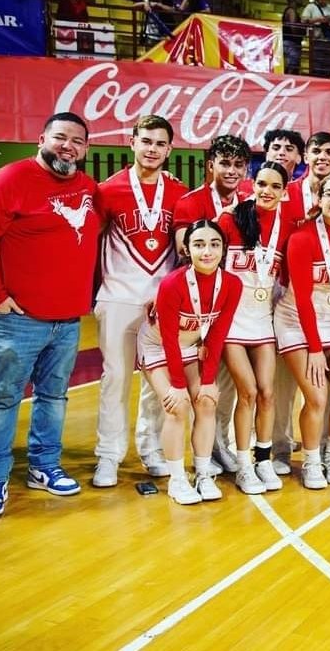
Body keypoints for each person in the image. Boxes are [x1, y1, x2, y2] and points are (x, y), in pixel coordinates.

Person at [0, 112, 100, 519]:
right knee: (3, 399)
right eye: (60, 137)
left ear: (86, 148)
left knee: (54, 397)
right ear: (41, 138)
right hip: (15, 319)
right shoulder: (10, 179)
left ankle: (43, 466)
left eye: (77, 141)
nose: (68, 146)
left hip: (67, 321)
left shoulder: (88, 188)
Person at [92, 115, 188, 487]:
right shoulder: (107, 190)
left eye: (160, 143)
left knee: (157, 383)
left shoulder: (179, 193)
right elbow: (90, 243)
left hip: (161, 301)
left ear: (169, 149)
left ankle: (152, 450)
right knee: (115, 378)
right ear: (132, 142)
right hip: (117, 298)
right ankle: (109, 457)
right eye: (146, 141)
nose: (152, 149)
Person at [138, 220, 241, 504]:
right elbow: (169, 339)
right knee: (178, 406)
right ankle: (177, 479)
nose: (207, 251)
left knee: (207, 401)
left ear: (223, 248)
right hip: (158, 346)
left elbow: (218, 335)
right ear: (187, 249)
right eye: (199, 244)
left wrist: (208, 381)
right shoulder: (172, 283)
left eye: (214, 244)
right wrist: (178, 385)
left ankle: (204, 473)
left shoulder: (232, 284)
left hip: (192, 346)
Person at [274, 174, 330, 489]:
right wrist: (313, 348)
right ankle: (311, 461)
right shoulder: (302, 238)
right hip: (297, 322)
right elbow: (302, 298)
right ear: (319, 200)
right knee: (318, 397)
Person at [173, 135, 250, 475]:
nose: (231, 171)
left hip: (232, 307)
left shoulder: (250, 202)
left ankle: (217, 447)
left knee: (222, 385)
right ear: (211, 165)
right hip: (190, 310)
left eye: (238, 165)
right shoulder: (191, 203)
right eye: (225, 163)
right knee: (173, 390)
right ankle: (157, 452)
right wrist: (224, 218)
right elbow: (183, 251)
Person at [217, 162, 293, 494]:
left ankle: (263, 458)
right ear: (252, 184)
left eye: (275, 186)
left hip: (264, 319)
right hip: (232, 320)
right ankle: (244, 463)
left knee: (267, 392)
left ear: (284, 191)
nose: (267, 191)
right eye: (262, 183)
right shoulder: (229, 219)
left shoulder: (289, 225)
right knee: (246, 392)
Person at [282, 0, 305, 75]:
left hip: (290, 44)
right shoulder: (291, 11)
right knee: (292, 68)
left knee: (292, 67)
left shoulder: (290, 11)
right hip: (291, 44)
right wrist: (303, 29)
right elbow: (294, 29)